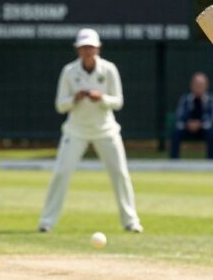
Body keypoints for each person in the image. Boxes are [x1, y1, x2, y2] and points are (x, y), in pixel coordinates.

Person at [38, 28, 142, 233]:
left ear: (98, 48)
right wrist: (74, 99)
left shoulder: (109, 69)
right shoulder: (69, 71)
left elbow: (118, 101)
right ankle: (46, 222)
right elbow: (60, 105)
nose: (88, 51)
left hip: (106, 130)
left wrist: (101, 98)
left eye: (91, 47)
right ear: (78, 50)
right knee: (61, 173)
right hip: (75, 131)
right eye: (84, 47)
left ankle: (131, 221)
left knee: (120, 174)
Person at [170, 72, 213, 159]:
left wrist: (200, 123)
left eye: (201, 85)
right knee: (176, 132)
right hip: (187, 128)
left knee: (211, 132)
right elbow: (179, 114)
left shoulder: (211, 99)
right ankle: (174, 162)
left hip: (204, 128)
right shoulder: (185, 99)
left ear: (206, 86)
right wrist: (188, 123)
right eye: (196, 85)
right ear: (192, 85)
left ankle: (211, 161)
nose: (198, 88)